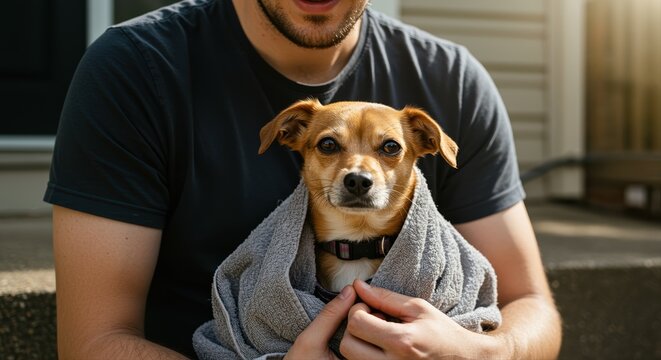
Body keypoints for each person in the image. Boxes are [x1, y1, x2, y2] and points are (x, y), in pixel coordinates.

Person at [45, 0, 562, 358]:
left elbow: (530, 308)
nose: (359, 172)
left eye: (385, 150)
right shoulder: (135, 70)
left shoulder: (452, 81)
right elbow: (95, 343)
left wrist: (479, 353)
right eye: (331, 146)